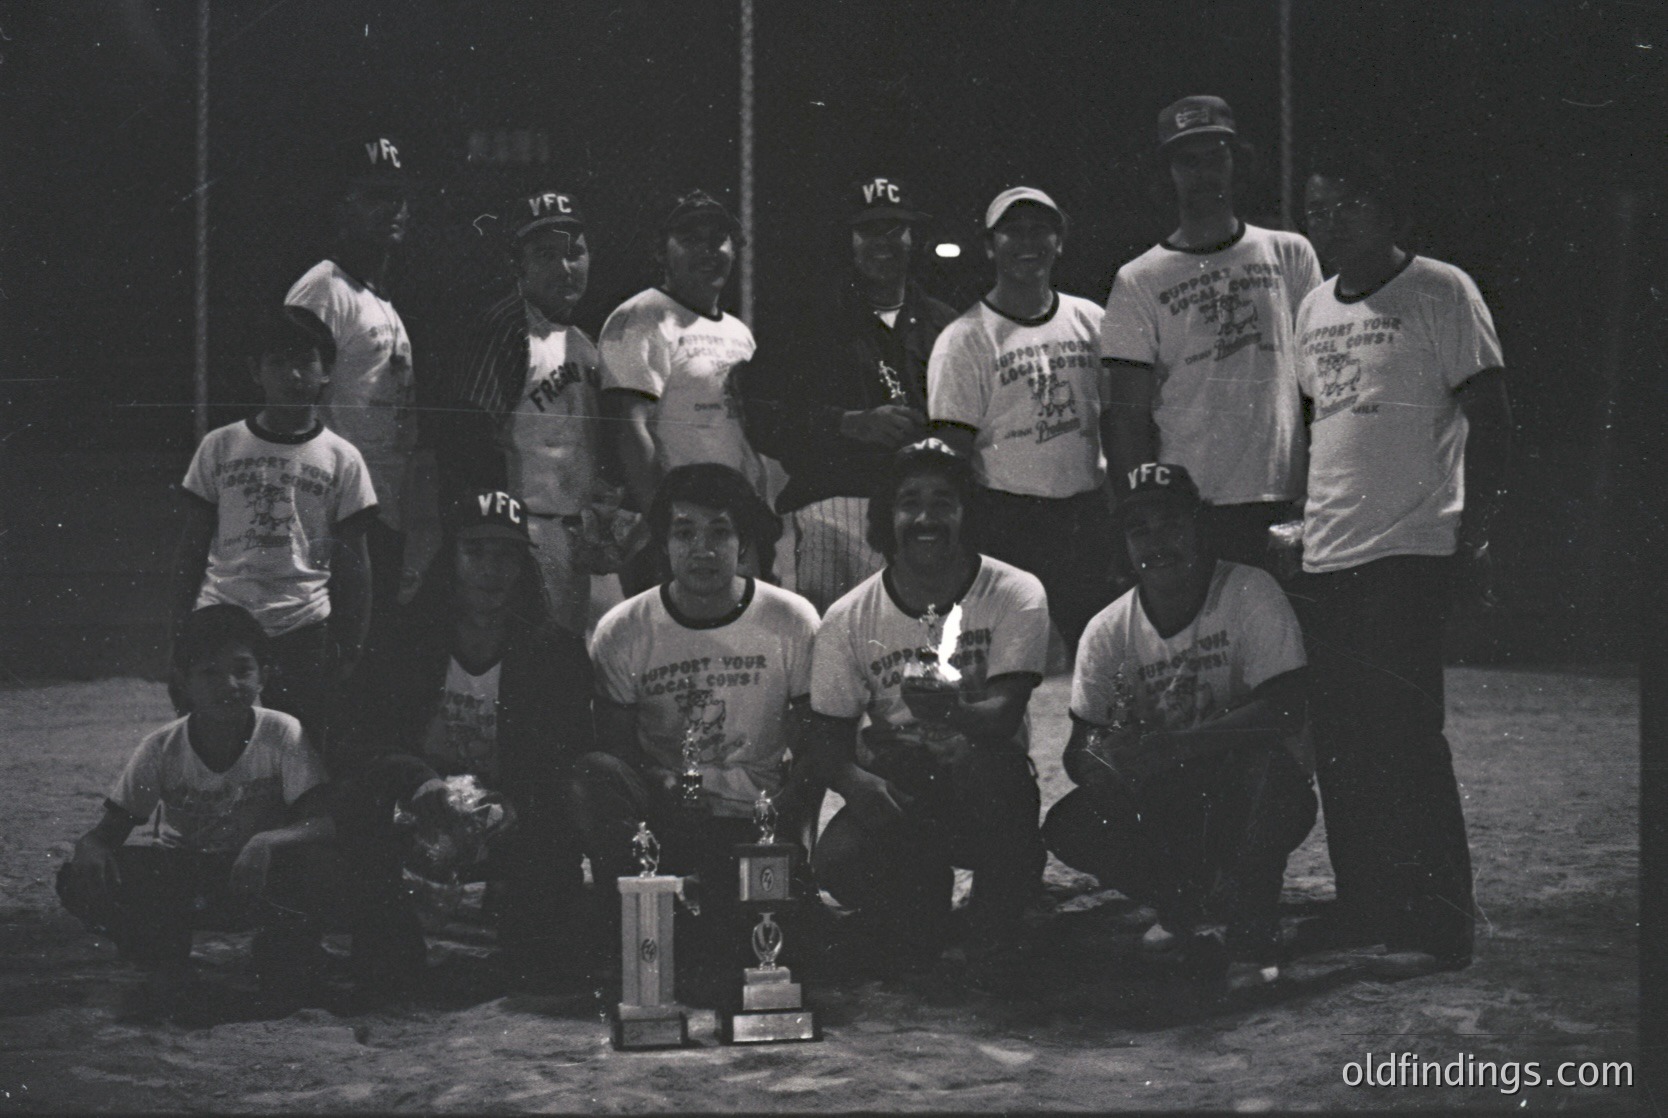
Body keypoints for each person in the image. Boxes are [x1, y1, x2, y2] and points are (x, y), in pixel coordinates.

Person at [1292, 141, 1511, 979]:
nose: (1330, 223)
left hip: (1410, 548)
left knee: (1407, 739)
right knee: (1343, 745)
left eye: (1346, 205)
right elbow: (1328, 428)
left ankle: (1440, 924)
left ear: (1384, 211)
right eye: (1316, 210)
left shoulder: (1439, 290)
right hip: (1331, 552)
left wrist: (1477, 533)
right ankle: (1366, 907)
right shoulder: (1314, 308)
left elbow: (1490, 417)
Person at [1042, 462, 1315, 987]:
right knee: (1071, 824)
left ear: (1198, 527)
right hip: (1172, 791)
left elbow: (1286, 709)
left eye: (1170, 524)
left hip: (1252, 786)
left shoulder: (1247, 590)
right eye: (1138, 529)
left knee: (1264, 775)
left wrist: (1179, 746)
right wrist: (1107, 760)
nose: (1156, 541)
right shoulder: (1107, 628)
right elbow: (1080, 748)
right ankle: (1183, 908)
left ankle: (1250, 933)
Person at [331, 489, 597, 990]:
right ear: (450, 558)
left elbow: (568, 754)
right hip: (416, 803)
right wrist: (418, 782)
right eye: (475, 552)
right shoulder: (403, 636)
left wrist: (513, 804)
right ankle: (389, 944)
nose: (491, 569)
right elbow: (358, 738)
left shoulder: (554, 650)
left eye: (506, 555)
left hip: (506, 811)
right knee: (355, 800)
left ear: (524, 567)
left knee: (543, 967)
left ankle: (529, 934)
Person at [808, 440, 1049, 981]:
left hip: (986, 770)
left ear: (966, 512)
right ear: (885, 517)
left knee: (995, 777)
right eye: (908, 502)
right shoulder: (848, 617)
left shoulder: (1015, 591)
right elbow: (826, 738)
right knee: (837, 862)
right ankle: (925, 902)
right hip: (906, 776)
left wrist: (952, 714)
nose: (925, 518)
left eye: (943, 502)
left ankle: (999, 906)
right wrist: (854, 783)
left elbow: (1005, 715)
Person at [570, 464, 819, 984]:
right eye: (685, 532)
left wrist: (788, 839)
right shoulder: (623, 629)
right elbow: (615, 753)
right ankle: (641, 915)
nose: (702, 549)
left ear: (744, 541)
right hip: (665, 817)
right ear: (663, 542)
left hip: (754, 821)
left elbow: (814, 747)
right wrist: (656, 785)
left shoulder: (792, 620)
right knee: (594, 772)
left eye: (719, 532)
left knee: (757, 958)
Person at [57, 605, 337, 1020]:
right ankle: (164, 957)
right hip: (187, 876)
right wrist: (90, 848)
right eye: (209, 672)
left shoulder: (282, 732)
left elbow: (323, 822)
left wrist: (265, 841)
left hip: (256, 875)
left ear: (264, 675)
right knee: (81, 877)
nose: (229, 684)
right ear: (183, 683)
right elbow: (105, 835)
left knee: (321, 869)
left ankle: (281, 949)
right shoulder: (161, 747)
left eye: (243, 669)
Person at [1100, 96, 1323, 571]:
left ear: (1235, 162)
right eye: (1187, 161)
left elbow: (1321, 387)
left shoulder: (1290, 253)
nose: (1204, 173)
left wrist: (1321, 490)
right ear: (1168, 172)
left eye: (1215, 156)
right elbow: (1125, 417)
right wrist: (1143, 513)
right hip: (1189, 502)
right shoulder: (1139, 278)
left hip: (1284, 493)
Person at [740, 175, 957, 613]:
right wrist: (846, 423)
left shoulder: (945, 323)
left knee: (920, 662)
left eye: (895, 229)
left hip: (920, 516)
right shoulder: (807, 321)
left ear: (914, 237)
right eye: (869, 230)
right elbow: (761, 415)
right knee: (825, 660)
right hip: (830, 512)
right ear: (849, 239)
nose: (883, 242)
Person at [170, 304, 377, 754]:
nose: (293, 376)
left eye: (306, 362)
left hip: (302, 626)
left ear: (327, 373)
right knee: (210, 745)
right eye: (278, 362)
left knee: (300, 752)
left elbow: (354, 563)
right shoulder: (220, 446)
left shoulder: (342, 458)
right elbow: (191, 547)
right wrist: (178, 632)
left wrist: (351, 644)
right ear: (256, 371)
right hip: (225, 616)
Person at [436, 188, 636, 636]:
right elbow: (469, 436)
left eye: (575, 253)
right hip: (526, 533)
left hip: (583, 537)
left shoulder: (585, 344)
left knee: (605, 657)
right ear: (518, 265)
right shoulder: (505, 327)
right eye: (546, 255)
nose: (565, 268)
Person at [927, 186, 1114, 654]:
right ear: (990, 246)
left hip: (1084, 517)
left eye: (1041, 230)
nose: (1028, 242)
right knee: (1011, 663)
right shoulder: (963, 339)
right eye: (1012, 231)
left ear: (1060, 241)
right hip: (1008, 522)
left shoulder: (1090, 318)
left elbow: (1117, 417)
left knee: (1095, 652)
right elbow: (952, 455)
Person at [598, 190, 766, 594]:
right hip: (677, 529)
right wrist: (664, 528)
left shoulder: (738, 332)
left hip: (731, 525)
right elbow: (630, 432)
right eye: (691, 240)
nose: (708, 251)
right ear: (662, 251)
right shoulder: (642, 317)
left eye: (718, 239)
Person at [285, 134, 419, 610]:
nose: (394, 210)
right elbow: (286, 407)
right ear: (344, 205)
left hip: (380, 504)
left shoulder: (378, 299)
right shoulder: (322, 290)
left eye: (400, 197)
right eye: (376, 197)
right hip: (334, 512)